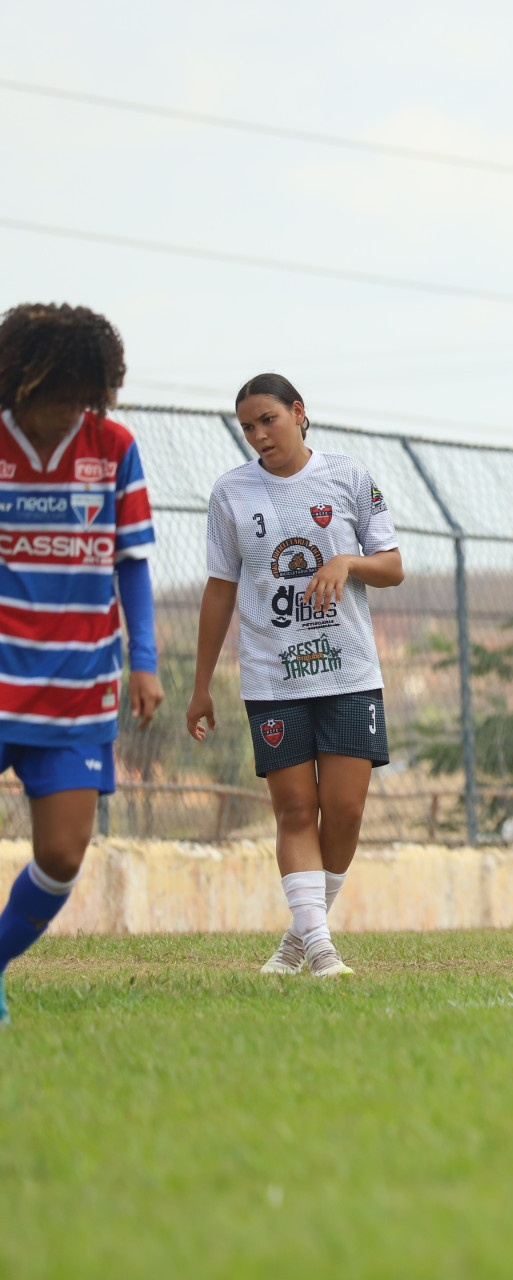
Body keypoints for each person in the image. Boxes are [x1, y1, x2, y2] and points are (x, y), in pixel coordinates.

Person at [185, 374, 403, 978]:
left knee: (346, 811)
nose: (258, 435)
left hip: (348, 671)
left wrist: (346, 560)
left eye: (268, 421)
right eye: (248, 427)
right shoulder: (231, 494)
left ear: (298, 414)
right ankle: (322, 949)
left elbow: (392, 567)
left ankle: (298, 937)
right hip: (271, 677)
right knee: (294, 811)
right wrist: (201, 685)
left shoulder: (350, 477)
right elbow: (220, 589)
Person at [0, 304, 161, 1025]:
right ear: (19, 383)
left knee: (62, 857)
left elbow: (132, 565)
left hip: (77, 692)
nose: (70, 408)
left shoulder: (114, 446)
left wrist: (146, 662)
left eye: (83, 395)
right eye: (56, 392)